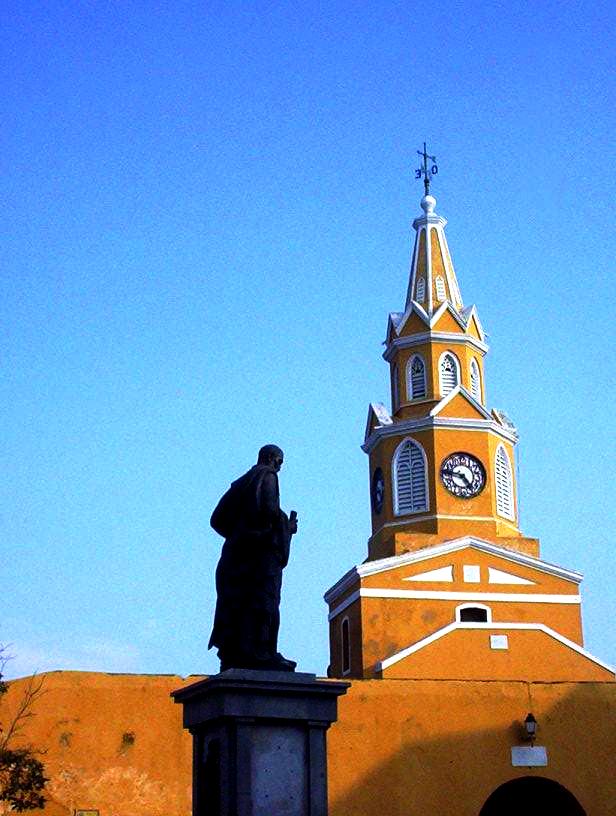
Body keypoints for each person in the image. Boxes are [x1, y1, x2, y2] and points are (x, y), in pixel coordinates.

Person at [208, 444, 298, 671]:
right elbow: (269, 511)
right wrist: (284, 526)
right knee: (265, 604)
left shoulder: (240, 484)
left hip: (235, 557)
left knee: (239, 605)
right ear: (269, 459)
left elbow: (216, 519)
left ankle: (239, 653)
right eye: (278, 461)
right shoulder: (266, 475)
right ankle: (263, 653)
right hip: (261, 557)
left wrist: (238, 535)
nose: (279, 468)